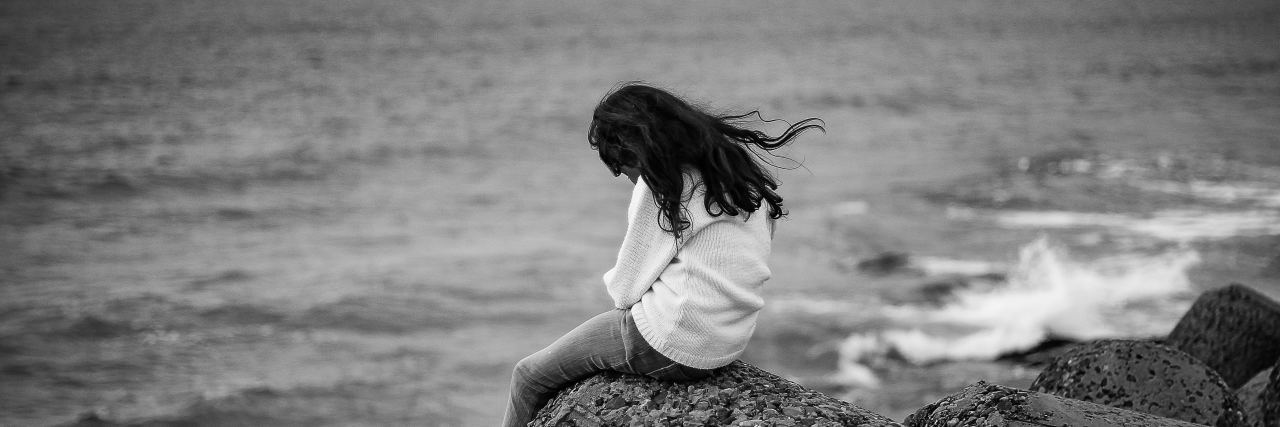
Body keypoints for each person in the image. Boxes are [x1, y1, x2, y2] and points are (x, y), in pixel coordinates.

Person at [502, 82, 823, 426]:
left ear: (634, 152)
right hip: (726, 342)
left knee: (528, 376)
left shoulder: (664, 186)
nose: (623, 177)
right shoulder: (738, 178)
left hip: (671, 341)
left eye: (619, 166)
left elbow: (624, 291)